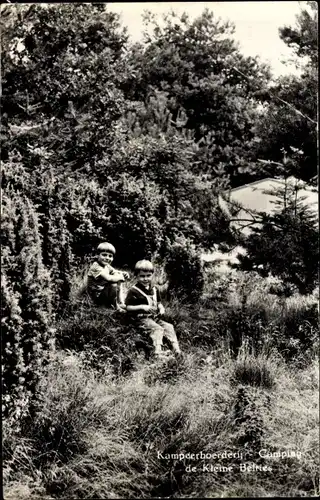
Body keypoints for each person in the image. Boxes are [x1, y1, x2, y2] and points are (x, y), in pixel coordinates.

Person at [125, 260, 182, 358]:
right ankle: (158, 352)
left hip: (154, 317)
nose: (145, 278)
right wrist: (142, 307)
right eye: (142, 276)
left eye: (148, 275)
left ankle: (176, 349)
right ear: (136, 276)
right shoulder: (133, 290)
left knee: (169, 327)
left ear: (152, 275)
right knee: (157, 329)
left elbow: (159, 303)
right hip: (141, 318)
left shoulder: (154, 289)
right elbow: (128, 307)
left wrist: (161, 308)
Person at [87, 242, 129, 310]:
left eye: (110, 256)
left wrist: (123, 274)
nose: (107, 258)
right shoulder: (96, 266)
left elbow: (115, 271)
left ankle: (120, 302)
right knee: (113, 283)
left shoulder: (107, 266)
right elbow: (108, 278)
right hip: (96, 297)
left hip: (103, 292)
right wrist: (120, 277)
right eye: (104, 255)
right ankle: (115, 306)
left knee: (117, 275)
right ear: (97, 255)